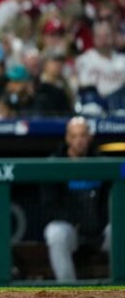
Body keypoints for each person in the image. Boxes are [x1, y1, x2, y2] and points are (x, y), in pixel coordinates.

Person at [43, 117, 111, 282]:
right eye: (74, 136)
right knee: (55, 232)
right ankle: (70, 290)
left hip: (100, 229)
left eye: (82, 135)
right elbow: (49, 205)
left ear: (90, 137)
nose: (79, 141)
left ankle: (119, 285)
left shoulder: (103, 162)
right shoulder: (54, 163)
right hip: (71, 229)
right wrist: (72, 219)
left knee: (119, 228)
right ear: (67, 138)